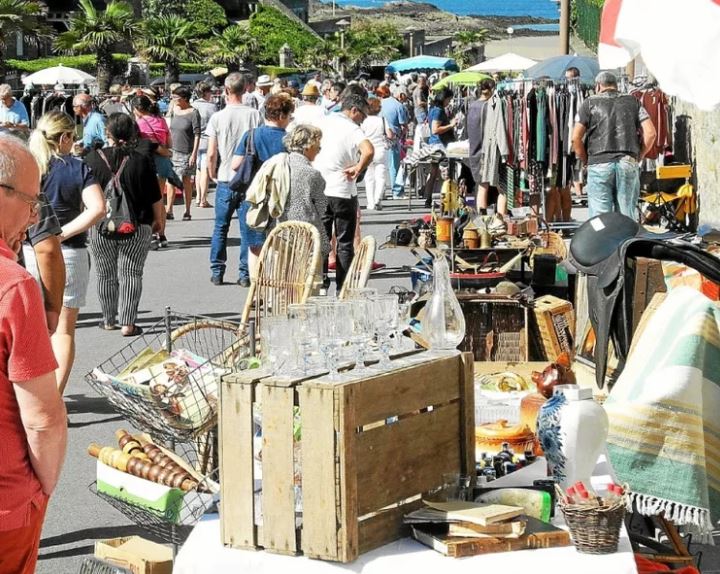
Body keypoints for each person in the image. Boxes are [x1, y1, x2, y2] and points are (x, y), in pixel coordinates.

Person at [0, 135, 67, 574]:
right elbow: (42, 417)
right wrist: (42, 491)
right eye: (31, 200)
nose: (34, 214)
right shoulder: (14, 284)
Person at [25, 111, 105, 394]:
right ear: (66, 138)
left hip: (27, 252)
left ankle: (30, 393)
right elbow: (97, 208)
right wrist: (62, 234)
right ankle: (55, 395)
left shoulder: (29, 167)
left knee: (27, 330)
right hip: (69, 253)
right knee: (63, 331)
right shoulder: (77, 167)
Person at [84, 113, 164, 337]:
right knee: (131, 273)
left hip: (100, 225)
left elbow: (84, 197)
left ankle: (108, 319)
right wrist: (158, 222)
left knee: (105, 273)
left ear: (107, 133)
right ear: (132, 134)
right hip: (138, 224)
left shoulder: (91, 160)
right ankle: (128, 323)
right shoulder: (141, 161)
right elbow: (155, 197)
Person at [572, 71, 656, 218]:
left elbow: (575, 138)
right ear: (616, 85)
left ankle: (603, 241)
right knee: (626, 216)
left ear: (598, 86)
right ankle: (626, 240)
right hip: (627, 161)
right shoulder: (633, 102)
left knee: (600, 218)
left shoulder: (589, 103)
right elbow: (651, 133)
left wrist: (586, 161)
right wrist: (639, 155)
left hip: (598, 163)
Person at [231, 94, 294, 287]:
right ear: (282, 115)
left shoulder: (251, 135)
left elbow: (235, 165)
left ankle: (257, 287)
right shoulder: (289, 139)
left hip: (254, 198)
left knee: (255, 246)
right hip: (282, 198)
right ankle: (276, 287)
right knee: (279, 246)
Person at [207, 72, 262, 286]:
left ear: (226, 90)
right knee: (247, 228)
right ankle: (244, 273)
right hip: (248, 178)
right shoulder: (254, 115)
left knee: (220, 226)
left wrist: (212, 172)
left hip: (225, 176)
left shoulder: (218, 117)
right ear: (245, 89)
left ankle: (217, 270)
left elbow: (212, 152)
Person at [315, 94, 374, 290]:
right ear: (354, 110)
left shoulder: (323, 122)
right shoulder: (352, 128)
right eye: (363, 116)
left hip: (321, 188)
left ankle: (321, 283)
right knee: (344, 242)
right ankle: (343, 286)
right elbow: (369, 150)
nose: (363, 120)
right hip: (342, 189)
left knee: (322, 239)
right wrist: (358, 167)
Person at [280, 124, 330, 278]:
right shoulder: (312, 174)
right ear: (308, 147)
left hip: (279, 232)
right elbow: (322, 207)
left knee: (284, 274)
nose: (319, 151)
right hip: (306, 235)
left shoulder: (278, 164)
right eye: (318, 147)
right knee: (309, 276)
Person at [132, 94, 174, 248]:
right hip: (163, 162)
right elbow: (169, 143)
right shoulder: (161, 120)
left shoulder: (139, 124)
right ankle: (162, 234)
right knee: (159, 199)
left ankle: (151, 233)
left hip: (147, 162)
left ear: (136, 109)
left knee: (148, 200)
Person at [167, 86, 201, 221]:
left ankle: (187, 210)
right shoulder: (174, 110)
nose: (174, 99)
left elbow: (197, 134)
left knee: (186, 180)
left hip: (187, 151)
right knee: (171, 181)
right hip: (172, 151)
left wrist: (194, 153)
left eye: (177, 97)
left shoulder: (193, 113)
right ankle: (169, 209)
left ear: (185, 98)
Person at [467, 78, 496, 214]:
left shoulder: (472, 105)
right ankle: (482, 217)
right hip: (485, 150)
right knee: (484, 186)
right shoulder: (488, 107)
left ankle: (477, 214)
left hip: (473, 149)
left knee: (478, 185)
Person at [425, 87, 457, 208]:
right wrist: (451, 125)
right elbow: (435, 129)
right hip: (439, 146)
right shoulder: (438, 110)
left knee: (433, 173)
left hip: (434, 145)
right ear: (444, 98)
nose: (449, 102)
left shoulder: (433, 108)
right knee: (445, 173)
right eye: (449, 99)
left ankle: (428, 200)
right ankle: (445, 201)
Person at [192, 82, 218, 209]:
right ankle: (203, 199)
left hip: (195, 142)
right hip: (207, 141)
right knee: (205, 172)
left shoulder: (193, 106)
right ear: (206, 92)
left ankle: (198, 197)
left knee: (198, 170)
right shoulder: (212, 107)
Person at [361, 97, 390, 211]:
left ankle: (370, 203)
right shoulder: (382, 120)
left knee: (369, 178)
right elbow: (390, 134)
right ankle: (378, 199)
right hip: (380, 150)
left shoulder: (364, 120)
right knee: (381, 176)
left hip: (367, 150)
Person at [380, 84, 408, 199]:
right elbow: (403, 125)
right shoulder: (399, 106)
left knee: (380, 167)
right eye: (406, 97)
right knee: (394, 166)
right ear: (401, 95)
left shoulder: (382, 102)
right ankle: (396, 192)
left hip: (379, 137)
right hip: (393, 138)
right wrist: (403, 136)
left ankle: (380, 193)